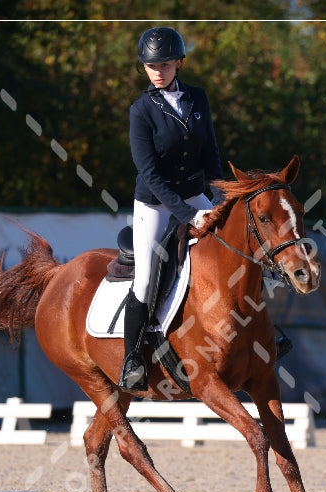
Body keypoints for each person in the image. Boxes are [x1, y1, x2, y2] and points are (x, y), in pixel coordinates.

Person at [119, 26, 224, 392]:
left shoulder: (198, 98)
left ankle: (266, 331)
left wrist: (220, 196)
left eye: (164, 63)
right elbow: (149, 172)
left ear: (179, 62)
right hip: (155, 201)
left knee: (234, 250)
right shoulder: (141, 111)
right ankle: (131, 359)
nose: (158, 71)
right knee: (146, 279)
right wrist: (188, 214)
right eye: (151, 65)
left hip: (196, 193)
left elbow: (210, 150)